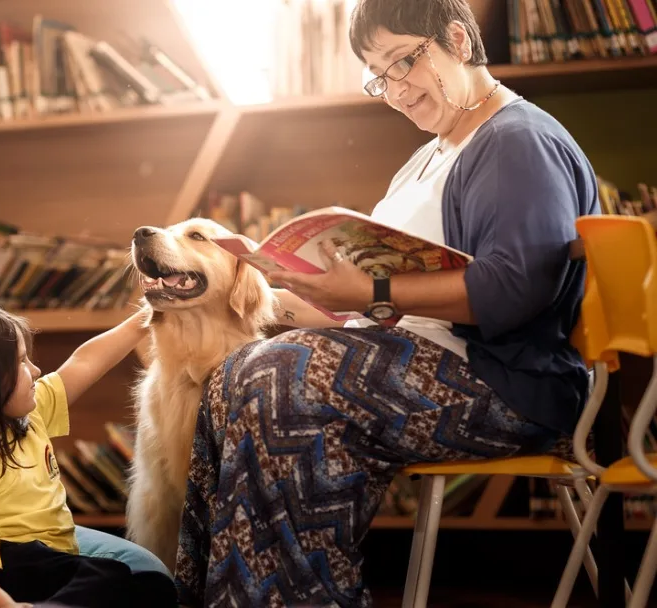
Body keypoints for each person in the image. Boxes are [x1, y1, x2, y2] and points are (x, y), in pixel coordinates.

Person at [173, 0, 600, 606]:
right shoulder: (423, 160)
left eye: (402, 63)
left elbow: (516, 289)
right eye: (380, 77)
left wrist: (370, 292)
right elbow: (360, 314)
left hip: (505, 385)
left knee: (278, 378)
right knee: (230, 378)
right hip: (411, 362)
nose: (395, 90)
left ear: (456, 38)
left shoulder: (515, 140)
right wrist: (277, 285)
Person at [0, 301, 176, 608]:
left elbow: (84, 362)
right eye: (21, 362)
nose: (36, 370)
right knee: (105, 576)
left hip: (48, 565)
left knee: (154, 585)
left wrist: (144, 318)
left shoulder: (31, 415)